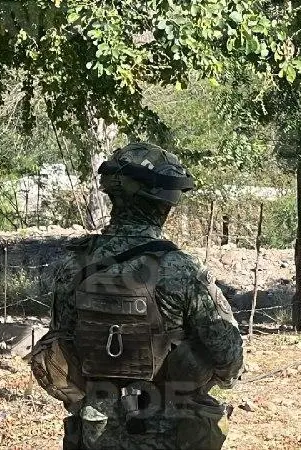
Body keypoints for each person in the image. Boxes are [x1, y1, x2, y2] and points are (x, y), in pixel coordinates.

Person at [30, 143, 244, 449]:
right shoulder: (179, 269)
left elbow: (60, 341)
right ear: (164, 203)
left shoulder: (74, 263)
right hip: (170, 430)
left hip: (94, 429)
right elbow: (228, 353)